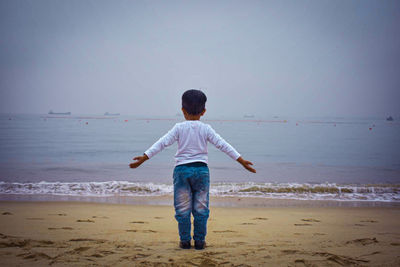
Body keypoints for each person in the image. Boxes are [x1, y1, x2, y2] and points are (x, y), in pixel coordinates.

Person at [129, 89, 256, 250]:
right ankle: (200, 241)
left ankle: (184, 241)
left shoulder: (178, 128)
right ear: (203, 112)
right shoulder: (206, 128)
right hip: (201, 171)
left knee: (182, 209)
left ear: (182, 110)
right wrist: (241, 160)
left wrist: (144, 157)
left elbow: (162, 143)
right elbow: (223, 145)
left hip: (182, 171)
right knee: (201, 209)